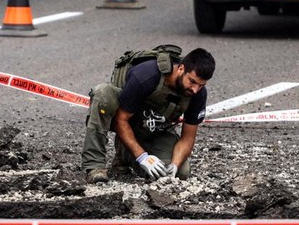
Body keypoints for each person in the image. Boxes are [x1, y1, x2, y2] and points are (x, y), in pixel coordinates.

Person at [81, 46, 215, 184]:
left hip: (151, 127)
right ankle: (94, 166)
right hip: (121, 117)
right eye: (192, 81)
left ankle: (125, 154)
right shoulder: (147, 75)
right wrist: (142, 157)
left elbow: (188, 138)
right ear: (181, 69)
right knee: (103, 94)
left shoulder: (198, 94)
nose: (195, 89)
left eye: (201, 85)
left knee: (181, 173)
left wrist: (174, 165)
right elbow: (121, 120)